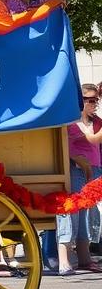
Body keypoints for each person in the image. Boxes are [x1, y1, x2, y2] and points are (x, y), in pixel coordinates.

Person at [57, 84, 102, 275]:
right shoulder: (72, 122)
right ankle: (64, 261)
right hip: (75, 170)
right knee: (72, 212)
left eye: (96, 100)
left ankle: (85, 259)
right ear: (80, 101)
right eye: (90, 100)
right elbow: (92, 139)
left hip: (95, 169)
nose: (94, 104)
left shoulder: (97, 121)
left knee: (89, 215)